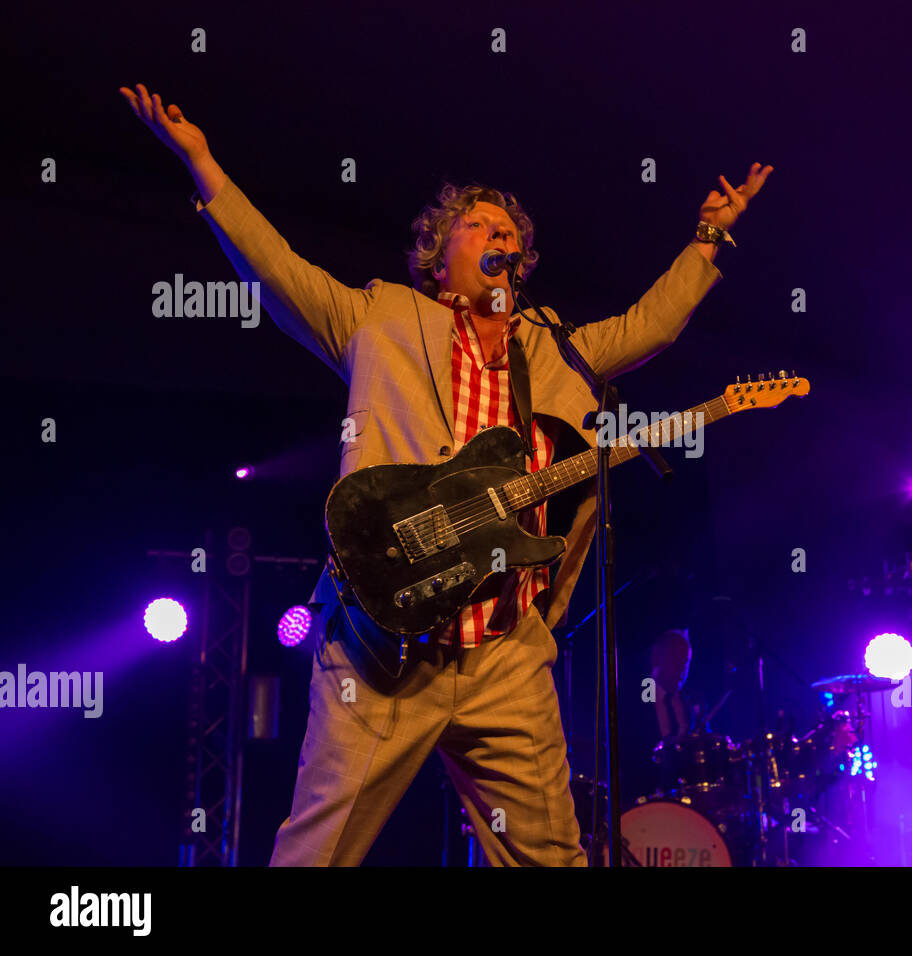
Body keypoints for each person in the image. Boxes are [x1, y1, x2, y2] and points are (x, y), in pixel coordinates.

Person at [120, 82, 772, 866]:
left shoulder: (556, 347)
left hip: (505, 654)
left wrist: (710, 238)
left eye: (510, 231)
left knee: (552, 859)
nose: (497, 234)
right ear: (439, 253)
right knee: (315, 854)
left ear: (523, 263)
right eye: (478, 224)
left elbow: (651, 326)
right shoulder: (381, 318)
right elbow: (277, 271)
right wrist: (202, 164)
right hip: (385, 650)